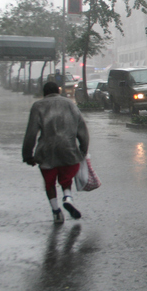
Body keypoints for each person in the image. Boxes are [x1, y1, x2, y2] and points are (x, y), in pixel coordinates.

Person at [22, 81, 89, 224]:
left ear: (44, 93)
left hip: (46, 151)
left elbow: (31, 132)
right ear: (58, 91)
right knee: (66, 179)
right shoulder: (70, 104)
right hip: (68, 149)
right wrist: (83, 149)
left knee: (49, 183)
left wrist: (28, 155)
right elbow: (82, 128)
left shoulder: (38, 106)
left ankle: (56, 212)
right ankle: (68, 198)